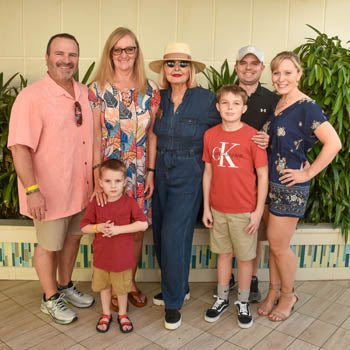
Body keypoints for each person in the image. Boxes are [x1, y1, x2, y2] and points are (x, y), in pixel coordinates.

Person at [7, 33, 95, 325]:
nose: (66, 60)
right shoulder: (31, 97)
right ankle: (49, 297)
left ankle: (66, 285)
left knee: (72, 240)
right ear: (47, 58)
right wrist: (32, 190)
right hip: (49, 191)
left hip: (80, 189)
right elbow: (20, 148)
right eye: (59, 54)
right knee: (48, 245)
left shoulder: (84, 92)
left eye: (72, 55)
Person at [258, 51, 341, 321]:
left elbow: (334, 143)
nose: (281, 78)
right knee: (273, 243)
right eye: (277, 73)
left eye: (287, 72)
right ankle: (272, 291)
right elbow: (285, 139)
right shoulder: (279, 103)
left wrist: (308, 174)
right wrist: (265, 140)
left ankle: (288, 295)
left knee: (280, 246)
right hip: (270, 183)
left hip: (290, 186)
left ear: (299, 74)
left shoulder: (308, 106)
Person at [149, 42, 221, 330]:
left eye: (182, 64)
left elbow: (227, 124)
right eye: (171, 64)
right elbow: (148, 134)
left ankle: (174, 301)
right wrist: (150, 172)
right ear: (164, 69)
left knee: (174, 236)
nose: (176, 69)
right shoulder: (157, 98)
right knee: (159, 234)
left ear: (191, 69)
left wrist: (257, 139)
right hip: (159, 171)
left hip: (189, 172)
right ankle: (178, 285)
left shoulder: (206, 99)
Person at [89, 27, 160, 310]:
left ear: (137, 52)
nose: (124, 55)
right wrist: (96, 175)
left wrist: (151, 172)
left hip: (140, 172)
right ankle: (107, 284)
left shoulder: (150, 89)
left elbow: (152, 134)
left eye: (129, 49)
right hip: (108, 174)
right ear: (110, 53)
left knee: (135, 231)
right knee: (108, 227)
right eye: (117, 49)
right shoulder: (97, 89)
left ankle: (128, 283)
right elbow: (95, 135)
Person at [202, 85, 268, 328]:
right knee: (223, 254)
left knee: (244, 258)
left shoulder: (253, 136)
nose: (230, 108)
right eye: (225, 103)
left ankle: (242, 301)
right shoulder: (210, 135)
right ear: (218, 107)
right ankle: (221, 297)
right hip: (218, 208)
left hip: (244, 210)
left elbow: (262, 175)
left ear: (244, 108)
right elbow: (207, 172)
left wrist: (258, 211)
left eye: (236, 104)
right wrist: (207, 208)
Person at [226, 45, 280, 302]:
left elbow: (283, 134)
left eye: (254, 63)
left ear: (262, 67)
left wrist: (270, 139)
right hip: (229, 176)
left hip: (258, 176)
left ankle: (253, 277)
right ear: (236, 66)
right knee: (228, 228)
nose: (248, 67)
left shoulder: (272, 100)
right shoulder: (226, 95)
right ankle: (231, 278)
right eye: (243, 62)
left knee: (252, 228)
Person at [81, 159, 148, 333]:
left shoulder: (129, 203)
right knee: (104, 288)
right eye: (108, 181)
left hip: (122, 260)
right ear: (101, 183)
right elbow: (84, 226)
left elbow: (143, 224)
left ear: (125, 182)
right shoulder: (96, 203)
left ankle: (123, 314)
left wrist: (119, 230)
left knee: (122, 289)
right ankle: (106, 314)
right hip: (102, 258)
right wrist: (99, 227)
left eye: (118, 181)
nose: (113, 186)